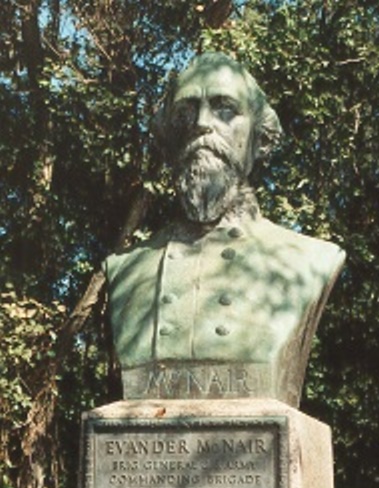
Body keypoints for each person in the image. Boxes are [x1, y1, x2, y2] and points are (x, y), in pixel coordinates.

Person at [104, 53, 345, 406]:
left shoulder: (311, 259)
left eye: (225, 110)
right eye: (184, 113)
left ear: (260, 138)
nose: (201, 123)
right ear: (166, 139)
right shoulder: (125, 269)